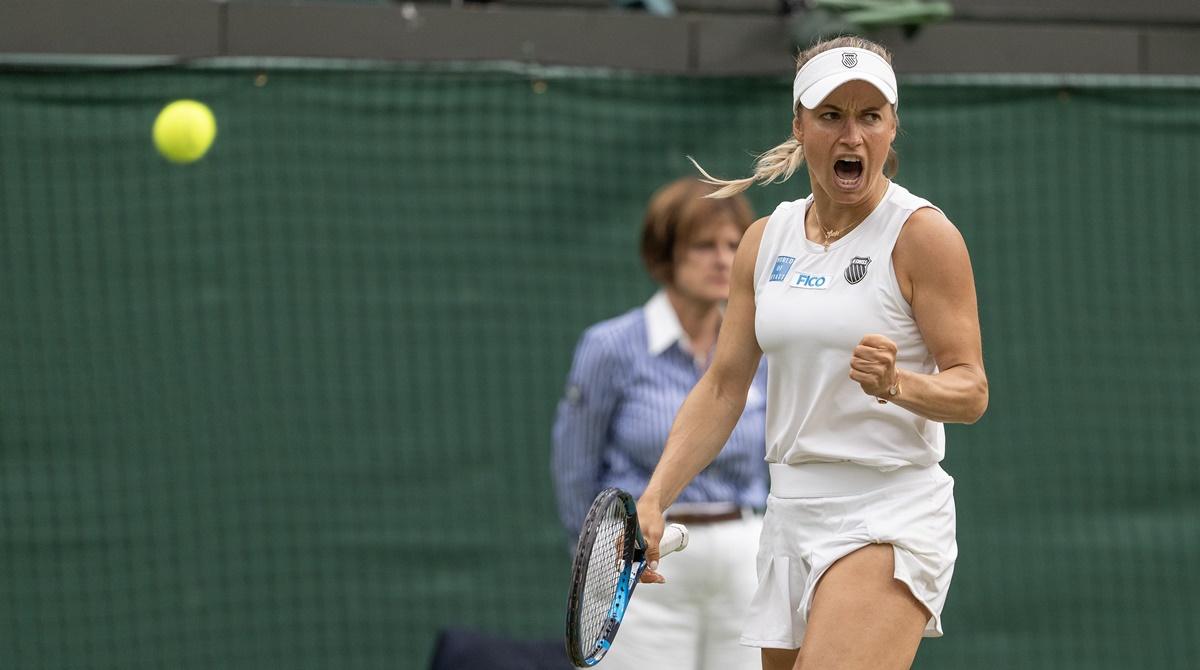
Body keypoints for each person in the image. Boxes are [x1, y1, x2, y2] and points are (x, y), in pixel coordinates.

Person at [635, 36, 989, 670]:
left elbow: (971, 391)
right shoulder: (762, 241)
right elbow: (723, 387)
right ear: (799, 126)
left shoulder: (924, 236)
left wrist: (897, 386)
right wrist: (657, 495)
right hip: (790, 515)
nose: (851, 135)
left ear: (891, 126)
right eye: (831, 116)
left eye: (869, 116)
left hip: (889, 511)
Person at [552, 177, 768, 670]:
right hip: (640, 566)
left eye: (733, 245)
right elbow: (574, 471)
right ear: (665, 254)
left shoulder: (762, 348)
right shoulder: (609, 347)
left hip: (744, 564)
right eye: (703, 245)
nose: (722, 258)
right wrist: (601, 566)